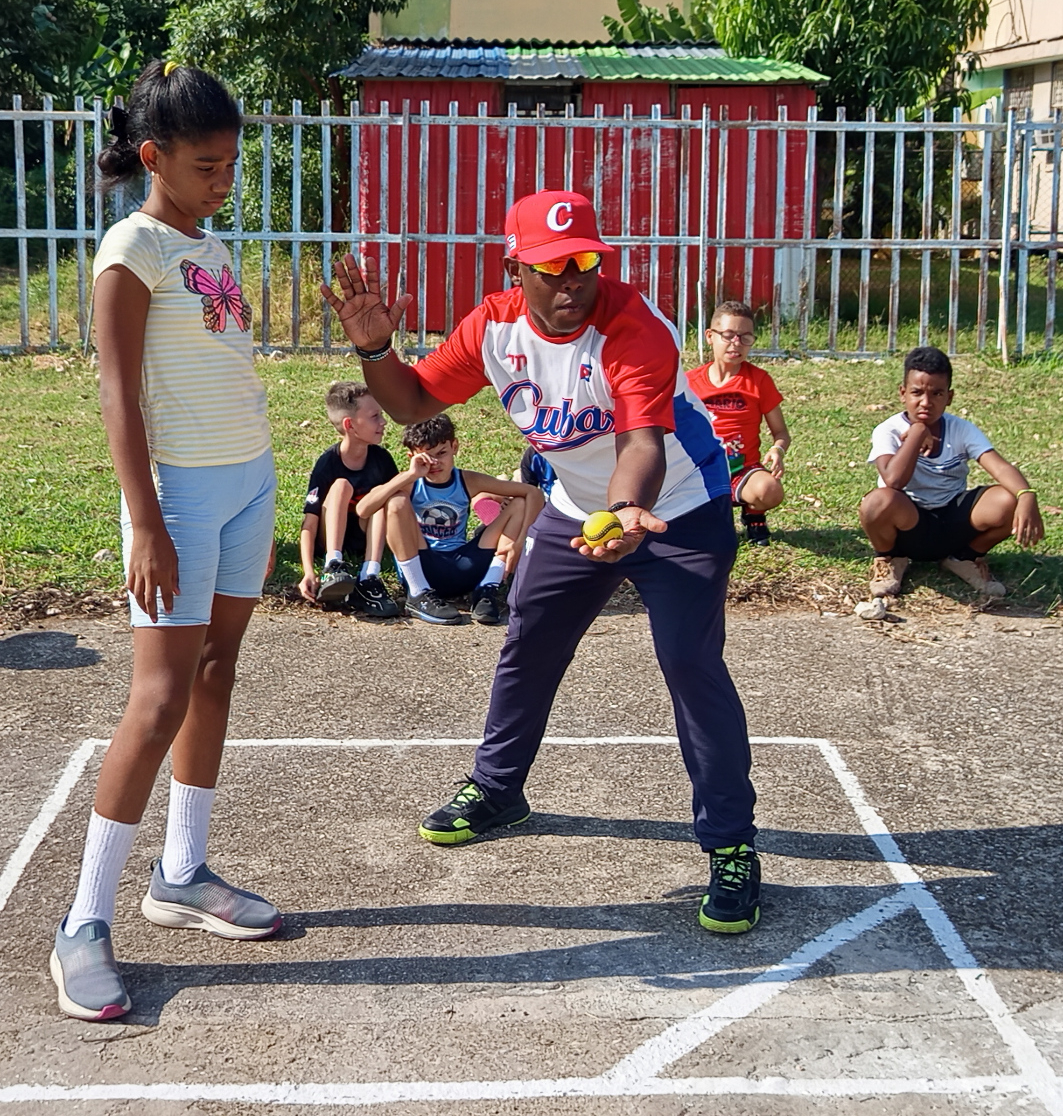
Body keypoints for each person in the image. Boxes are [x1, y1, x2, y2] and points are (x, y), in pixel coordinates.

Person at [321, 189, 763, 934]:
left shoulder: (634, 326)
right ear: (515, 269)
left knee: (690, 662)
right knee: (529, 637)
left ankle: (731, 845)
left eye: (585, 263)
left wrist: (626, 513)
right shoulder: (495, 326)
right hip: (577, 508)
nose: (571, 283)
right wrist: (375, 352)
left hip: (677, 508)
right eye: (552, 269)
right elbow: (412, 402)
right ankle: (499, 789)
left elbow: (643, 445)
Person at [50, 61, 281, 1024]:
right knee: (156, 698)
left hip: (249, 484)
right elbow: (117, 394)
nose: (225, 178)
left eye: (232, 161)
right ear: (155, 157)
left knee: (216, 673)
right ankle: (81, 925)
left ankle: (181, 874)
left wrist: (257, 490)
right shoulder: (130, 249)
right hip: (179, 500)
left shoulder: (208, 246)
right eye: (206, 163)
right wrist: (144, 518)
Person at [859, 346, 1043, 601]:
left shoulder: (961, 429)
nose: (926, 402)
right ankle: (889, 559)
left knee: (1008, 500)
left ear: (950, 397)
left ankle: (964, 558)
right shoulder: (888, 430)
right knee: (876, 502)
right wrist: (916, 433)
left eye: (937, 393)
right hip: (907, 525)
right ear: (903, 394)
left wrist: (1026, 495)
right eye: (917, 393)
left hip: (951, 521)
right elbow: (894, 480)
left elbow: (999, 466)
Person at [356, 413, 544, 626]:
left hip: (465, 565)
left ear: (454, 446)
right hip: (425, 565)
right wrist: (409, 475)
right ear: (413, 458)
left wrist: (520, 543)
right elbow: (363, 509)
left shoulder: (468, 480)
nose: (435, 463)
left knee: (519, 503)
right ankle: (417, 594)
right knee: (396, 501)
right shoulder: (411, 483)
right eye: (427, 457)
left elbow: (533, 494)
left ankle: (487, 589)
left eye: (442, 453)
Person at [685, 299, 791, 546]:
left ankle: (753, 513)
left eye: (745, 337)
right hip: (699, 472)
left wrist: (778, 450)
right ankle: (710, 512)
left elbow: (781, 432)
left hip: (742, 470)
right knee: (707, 535)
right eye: (729, 335)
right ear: (710, 336)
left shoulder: (759, 381)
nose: (736, 344)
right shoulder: (689, 382)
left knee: (770, 490)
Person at [297, 381, 399, 618]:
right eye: (375, 416)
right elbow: (309, 524)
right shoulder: (328, 463)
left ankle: (369, 575)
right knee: (342, 485)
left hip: (366, 534)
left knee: (380, 497)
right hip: (331, 535)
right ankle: (333, 564)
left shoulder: (382, 459)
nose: (383, 422)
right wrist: (308, 571)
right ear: (349, 425)